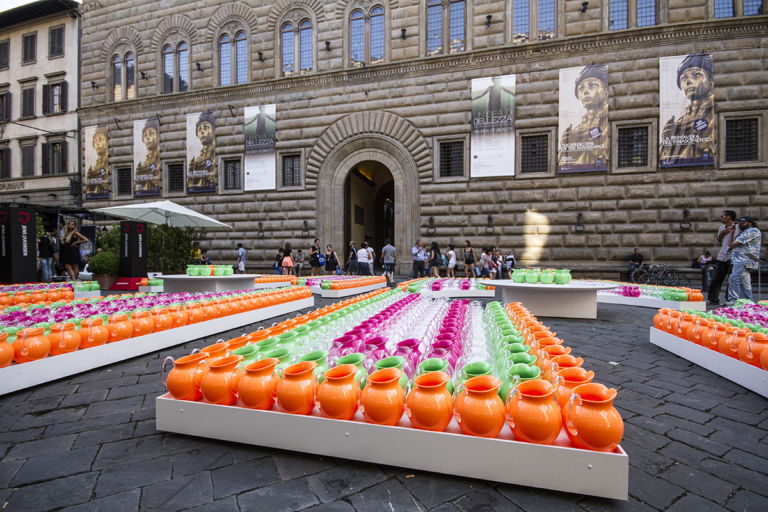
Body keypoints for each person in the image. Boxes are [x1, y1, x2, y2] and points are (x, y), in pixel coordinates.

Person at [660, 54, 715, 166]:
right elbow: (664, 158)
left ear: (710, 80)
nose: (689, 81)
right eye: (684, 78)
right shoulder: (679, 122)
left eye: (697, 75)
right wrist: (667, 142)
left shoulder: (713, 114)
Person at [558, 64, 609, 171]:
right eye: (581, 88)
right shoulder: (574, 131)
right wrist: (566, 149)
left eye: (592, 85)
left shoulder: (608, 121)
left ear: (606, 90)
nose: (585, 91)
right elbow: (562, 164)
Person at [708, 210, 740, 305]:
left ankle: (729, 299)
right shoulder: (722, 227)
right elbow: (718, 241)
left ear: (729, 217)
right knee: (716, 278)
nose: (721, 218)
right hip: (722, 256)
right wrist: (723, 232)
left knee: (731, 278)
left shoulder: (738, 227)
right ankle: (713, 299)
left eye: (722, 216)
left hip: (733, 256)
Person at [727, 216, 761, 303]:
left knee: (734, 278)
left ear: (750, 223)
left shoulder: (752, 230)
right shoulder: (744, 232)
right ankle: (748, 301)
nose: (740, 225)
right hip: (740, 259)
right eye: (740, 223)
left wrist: (733, 238)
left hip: (744, 259)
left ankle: (733, 299)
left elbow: (734, 243)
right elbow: (730, 244)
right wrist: (731, 232)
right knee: (744, 281)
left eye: (743, 222)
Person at [188, 111, 217, 193]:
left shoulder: (215, 153)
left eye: (206, 127)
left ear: (213, 130)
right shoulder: (196, 159)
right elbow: (191, 183)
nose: (202, 131)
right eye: (199, 129)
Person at [135, 118, 160, 196]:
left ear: (158, 136)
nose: (147, 137)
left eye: (151, 133)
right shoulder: (144, 163)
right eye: (145, 135)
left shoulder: (158, 160)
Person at [85, 127, 109, 199]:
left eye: (101, 139)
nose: (97, 143)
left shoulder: (106, 163)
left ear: (107, 141)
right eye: (95, 141)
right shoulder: (94, 166)